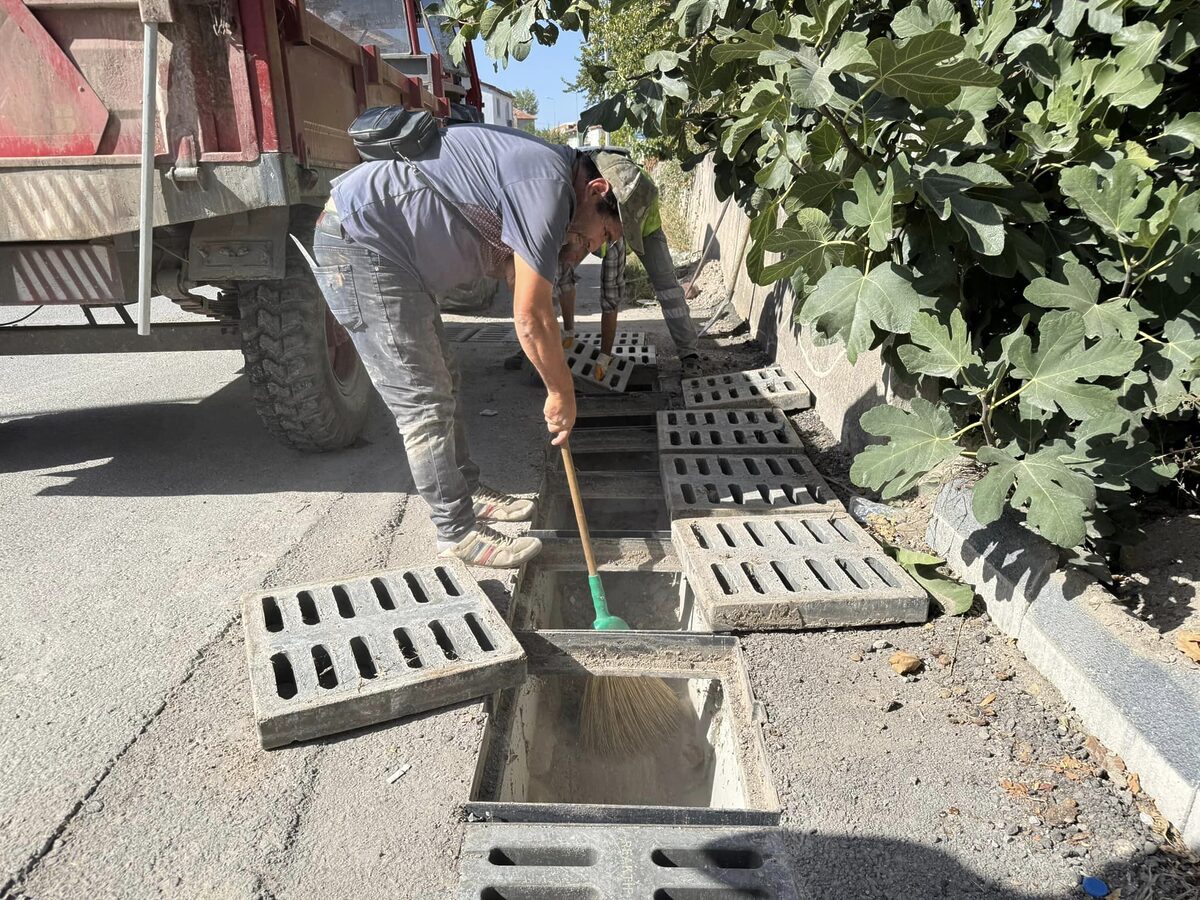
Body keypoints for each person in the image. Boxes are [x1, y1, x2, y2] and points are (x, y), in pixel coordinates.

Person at [309, 125, 637, 568]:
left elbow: (517, 276)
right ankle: (456, 533)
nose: (597, 245)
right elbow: (529, 315)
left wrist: (550, 341)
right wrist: (562, 393)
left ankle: (467, 489)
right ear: (596, 189)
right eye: (605, 231)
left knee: (445, 376)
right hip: (363, 242)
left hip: (392, 254)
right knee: (423, 401)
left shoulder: (553, 180)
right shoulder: (548, 187)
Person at [551, 154, 701, 376]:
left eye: (586, 244)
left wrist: (604, 357)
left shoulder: (613, 232)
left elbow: (610, 296)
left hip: (646, 229)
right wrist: (569, 334)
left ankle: (689, 353)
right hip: (611, 218)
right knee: (558, 273)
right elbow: (562, 274)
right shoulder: (575, 213)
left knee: (667, 287)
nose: (585, 250)